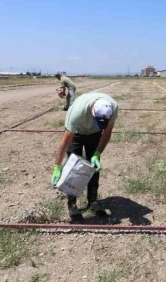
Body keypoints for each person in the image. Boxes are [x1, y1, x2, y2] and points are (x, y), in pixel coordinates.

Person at [50, 92, 118, 221]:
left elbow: (107, 132)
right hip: (77, 133)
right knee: (74, 168)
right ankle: (72, 204)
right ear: (91, 110)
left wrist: (97, 154)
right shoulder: (77, 112)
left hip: (94, 134)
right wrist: (57, 167)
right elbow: (65, 141)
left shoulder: (113, 107)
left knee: (93, 168)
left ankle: (93, 201)